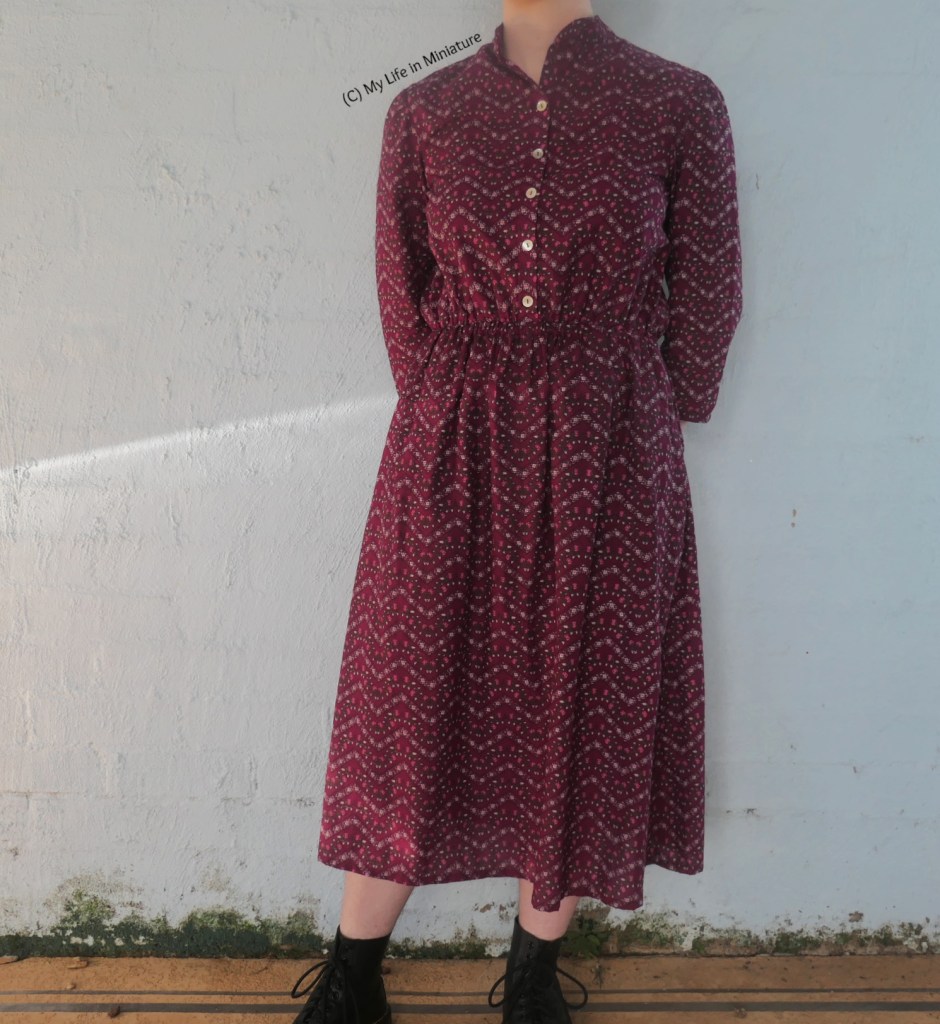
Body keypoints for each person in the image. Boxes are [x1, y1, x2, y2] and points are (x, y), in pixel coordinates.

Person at [290, 1, 744, 1021]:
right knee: (413, 698)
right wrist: (452, 410)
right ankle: (355, 973)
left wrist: (643, 405)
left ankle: (532, 978)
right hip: (453, 445)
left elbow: (709, 291)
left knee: (586, 696)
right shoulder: (425, 111)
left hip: (614, 449)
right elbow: (401, 294)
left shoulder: (678, 104)